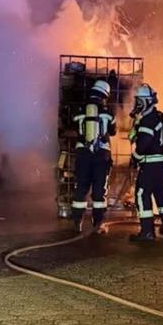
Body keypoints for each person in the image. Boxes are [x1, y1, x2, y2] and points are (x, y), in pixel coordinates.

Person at [128, 83, 163, 242]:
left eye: (139, 101)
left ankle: (147, 232)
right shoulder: (159, 116)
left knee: (142, 194)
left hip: (151, 163)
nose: (137, 104)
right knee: (161, 191)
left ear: (145, 102)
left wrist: (135, 157)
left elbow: (143, 145)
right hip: (162, 162)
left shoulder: (148, 121)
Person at [71, 79, 116, 234]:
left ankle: (77, 223)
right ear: (105, 95)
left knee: (81, 189)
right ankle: (98, 225)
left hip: (83, 154)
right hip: (100, 156)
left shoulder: (80, 109)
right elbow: (113, 131)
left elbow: (73, 127)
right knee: (99, 191)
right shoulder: (107, 111)